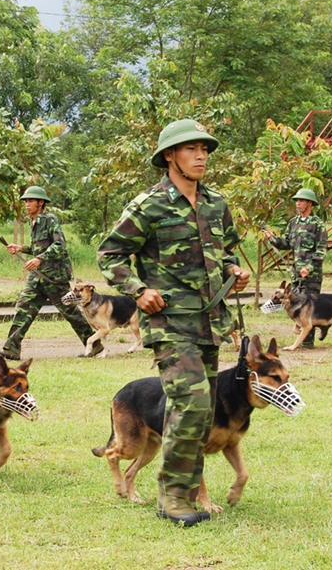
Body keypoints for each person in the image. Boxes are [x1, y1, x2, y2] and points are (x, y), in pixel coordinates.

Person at [97, 119, 250, 527]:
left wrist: (235, 269)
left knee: (202, 414)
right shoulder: (148, 204)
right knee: (191, 403)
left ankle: (184, 491)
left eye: (204, 148)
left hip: (211, 323)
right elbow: (109, 254)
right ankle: (172, 497)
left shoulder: (216, 202)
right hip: (168, 323)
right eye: (191, 148)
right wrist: (136, 289)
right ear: (170, 155)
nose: (201, 155)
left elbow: (229, 249)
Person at [2, 185, 103, 360]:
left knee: (70, 313)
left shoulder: (50, 220)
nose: (27, 204)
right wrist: (21, 248)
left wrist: (39, 258)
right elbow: (38, 247)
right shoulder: (32, 222)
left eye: (31, 201)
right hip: (37, 278)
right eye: (25, 201)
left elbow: (59, 246)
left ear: (41, 203)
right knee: (24, 308)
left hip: (54, 277)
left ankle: (95, 345)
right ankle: (11, 349)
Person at [262, 187, 327, 348]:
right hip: (296, 272)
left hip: (312, 274)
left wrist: (309, 268)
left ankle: (307, 341)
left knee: (309, 306)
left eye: (301, 200)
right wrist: (272, 239)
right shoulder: (293, 223)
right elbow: (286, 243)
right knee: (296, 304)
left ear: (310, 203)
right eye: (297, 201)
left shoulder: (318, 224)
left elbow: (321, 250)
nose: (298, 203)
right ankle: (312, 331)